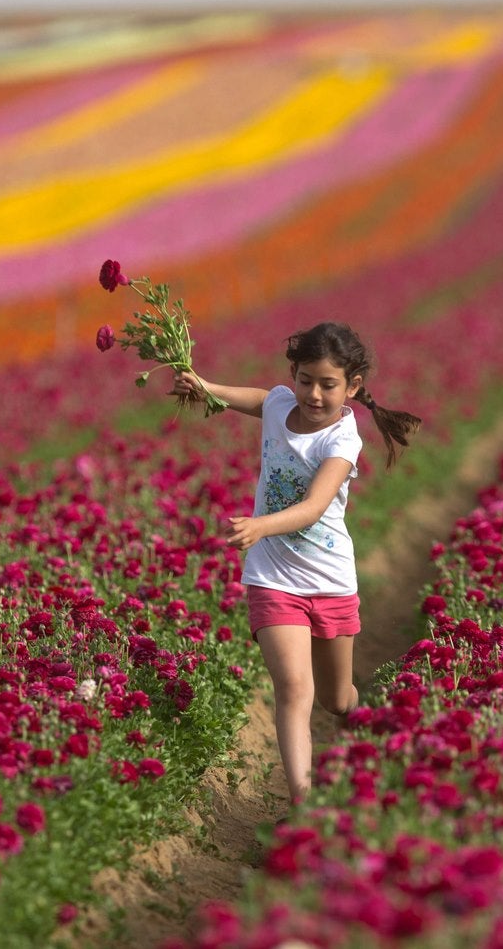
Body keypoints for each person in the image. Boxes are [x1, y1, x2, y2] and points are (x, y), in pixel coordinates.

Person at [170, 321, 421, 810]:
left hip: (329, 582)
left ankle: (364, 730)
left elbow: (313, 506)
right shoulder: (282, 403)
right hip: (273, 579)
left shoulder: (343, 441)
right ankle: (304, 803)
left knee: (335, 699)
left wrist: (261, 526)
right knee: (293, 688)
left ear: (352, 387)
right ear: (294, 375)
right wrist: (204, 387)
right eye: (305, 379)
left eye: (328, 384)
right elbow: (261, 399)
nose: (313, 393)